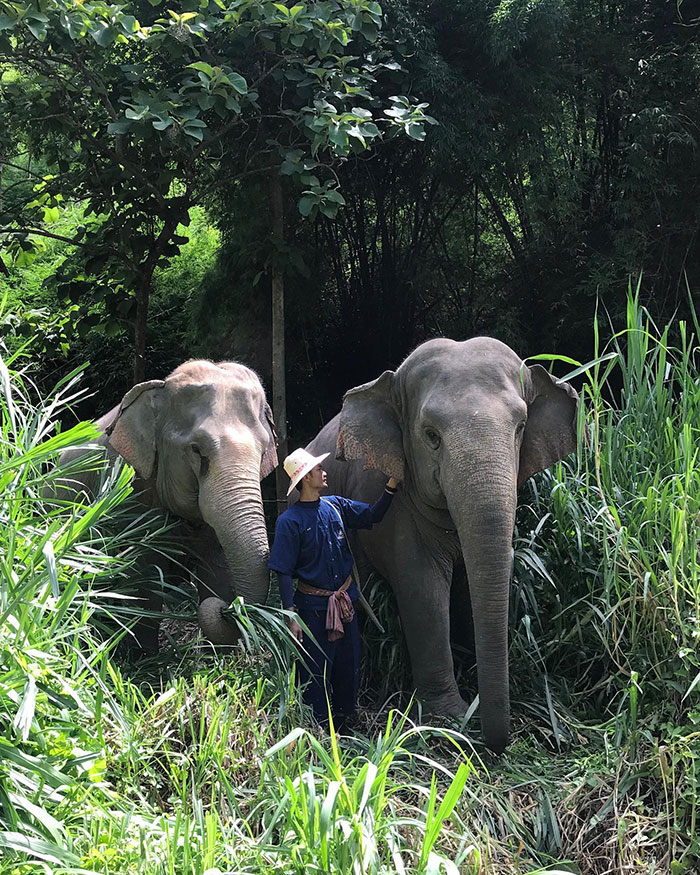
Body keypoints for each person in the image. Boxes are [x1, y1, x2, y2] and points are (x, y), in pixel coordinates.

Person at [268, 447, 399, 727]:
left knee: (348, 663)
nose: (323, 472)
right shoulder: (289, 523)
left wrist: (392, 486)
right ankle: (317, 727)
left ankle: (344, 719)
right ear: (305, 478)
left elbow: (372, 516)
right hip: (312, 609)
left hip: (345, 602)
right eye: (317, 469)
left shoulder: (335, 506)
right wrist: (291, 617)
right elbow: (283, 572)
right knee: (315, 667)